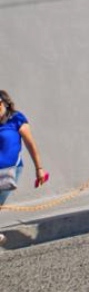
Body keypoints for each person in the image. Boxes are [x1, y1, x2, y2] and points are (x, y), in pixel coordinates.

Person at [0, 89, 48, 245]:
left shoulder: (16, 118)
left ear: (5, 103)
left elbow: (30, 143)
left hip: (10, 170)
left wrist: (39, 168)